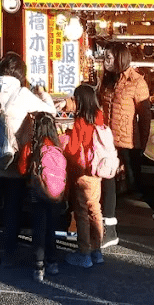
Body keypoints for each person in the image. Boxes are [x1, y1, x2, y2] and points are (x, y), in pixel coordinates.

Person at [101, 43, 154, 245]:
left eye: (109, 57)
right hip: (107, 142)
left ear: (120, 58)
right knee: (107, 179)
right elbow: (94, 102)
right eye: (105, 57)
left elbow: (145, 117)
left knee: (137, 184)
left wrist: (142, 145)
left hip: (129, 143)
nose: (105, 60)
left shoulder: (137, 83)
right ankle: (109, 230)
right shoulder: (106, 81)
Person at [0, 52, 55, 264]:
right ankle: (9, 250)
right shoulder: (23, 94)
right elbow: (51, 112)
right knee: (13, 207)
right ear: (21, 73)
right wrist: (42, 94)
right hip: (15, 162)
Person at [63, 83, 110, 265]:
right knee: (95, 209)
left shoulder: (81, 121)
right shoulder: (100, 117)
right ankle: (97, 250)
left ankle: (84, 253)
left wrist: (66, 139)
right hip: (97, 170)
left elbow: (74, 148)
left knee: (81, 212)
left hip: (82, 172)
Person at [19, 111, 65, 281]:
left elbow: (22, 169)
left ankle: (39, 266)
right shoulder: (58, 146)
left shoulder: (32, 147)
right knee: (52, 227)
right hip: (56, 194)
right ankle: (53, 262)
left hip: (37, 193)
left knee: (39, 227)